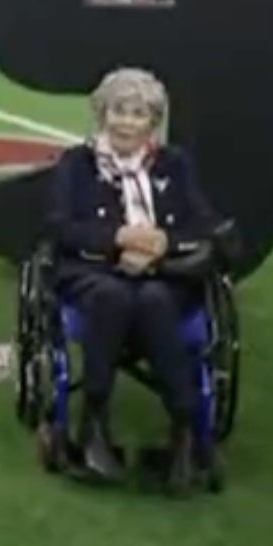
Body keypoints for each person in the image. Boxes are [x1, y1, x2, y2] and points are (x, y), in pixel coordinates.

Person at [43, 66, 227, 489]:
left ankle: (184, 430)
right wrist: (118, 238)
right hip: (93, 273)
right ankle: (94, 425)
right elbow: (59, 228)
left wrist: (162, 243)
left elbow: (203, 226)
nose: (126, 122)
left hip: (163, 275)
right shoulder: (77, 164)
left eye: (138, 113)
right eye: (118, 111)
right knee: (114, 295)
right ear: (102, 114)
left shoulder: (175, 164)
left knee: (153, 299)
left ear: (153, 122)